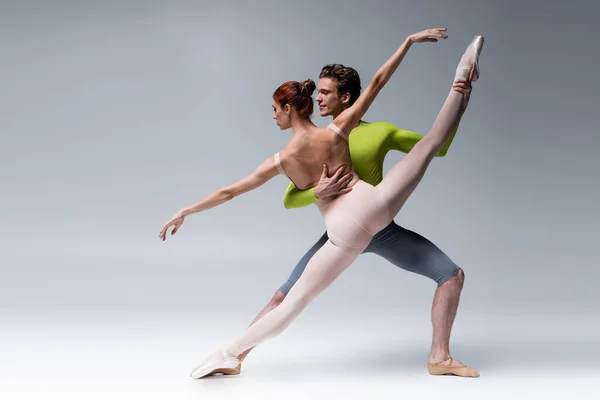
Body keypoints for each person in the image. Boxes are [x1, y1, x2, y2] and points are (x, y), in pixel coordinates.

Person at [158, 29, 484, 379]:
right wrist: (406, 43)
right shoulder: (339, 130)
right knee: (430, 144)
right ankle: (461, 84)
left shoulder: (281, 160)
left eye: (274, 109)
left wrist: (186, 210)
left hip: (344, 232)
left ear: (288, 109)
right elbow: (377, 81)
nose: (272, 116)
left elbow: (229, 192)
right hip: (376, 204)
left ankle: (226, 353)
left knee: (293, 304)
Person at [232, 64, 476, 378]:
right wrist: (319, 192)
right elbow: (290, 199)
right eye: (317, 91)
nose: (317, 99)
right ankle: (235, 357)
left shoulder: (380, 132)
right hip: (340, 235)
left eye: (325, 92)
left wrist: (461, 104)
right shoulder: (319, 141)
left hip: (382, 230)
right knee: (284, 296)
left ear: (346, 97)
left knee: (451, 276)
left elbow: (436, 147)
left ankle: (439, 358)